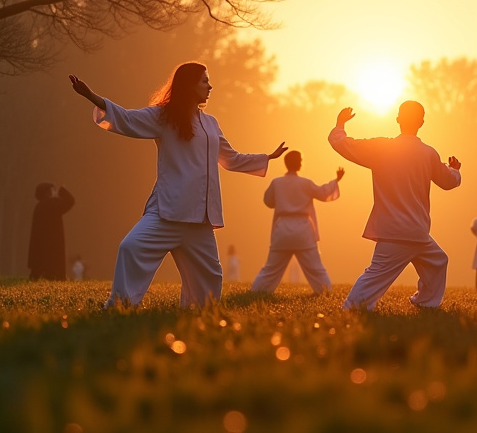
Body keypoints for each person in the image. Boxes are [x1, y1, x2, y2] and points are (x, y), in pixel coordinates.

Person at [69, 63, 286, 308]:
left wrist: (266, 157)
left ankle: (195, 313)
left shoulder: (211, 124)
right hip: (166, 213)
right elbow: (128, 119)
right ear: (189, 85)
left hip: (200, 219)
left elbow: (230, 158)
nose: (210, 86)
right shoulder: (163, 116)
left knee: (210, 281)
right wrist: (91, 96)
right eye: (205, 81)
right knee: (130, 248)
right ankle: (120, 306)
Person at [329, 102, 461, 310]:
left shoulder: (382, 148)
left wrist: (340, 124)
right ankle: (353, 307)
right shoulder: (428, 153)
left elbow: (342, 144)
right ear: (422, 122)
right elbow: (448, 182)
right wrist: (454, 170)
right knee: (435, 262)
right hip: (416, 229)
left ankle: (423, 302)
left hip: (394, 229)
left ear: (398, 119)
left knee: (434, 261)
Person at [251, 151, 343, 294]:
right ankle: (325, 292)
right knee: (315, 268)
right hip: (303, 230)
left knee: (271, 268)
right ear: (298, 163)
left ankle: (257, 292)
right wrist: (335, 181)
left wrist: (283, 199)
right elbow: (323, 193)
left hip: (282, 229)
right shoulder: (305, 183)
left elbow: (268, 201)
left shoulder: (277, 182)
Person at [28, 183, 75, 280]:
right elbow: (71, 201)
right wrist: (62, 190)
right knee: (54, 268)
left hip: (41, 245)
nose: (55, 192)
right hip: (53, 244)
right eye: (53, 190)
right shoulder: (52, 204)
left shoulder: (39, 207)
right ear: (48, 192)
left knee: (41, 266)